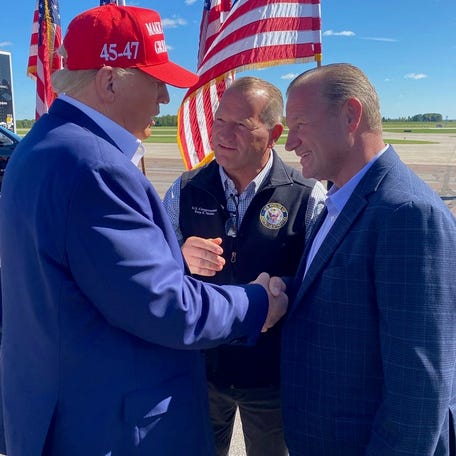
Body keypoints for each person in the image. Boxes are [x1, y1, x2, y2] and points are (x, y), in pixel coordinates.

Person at [0, 5, 288, 456]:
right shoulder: (95, 166)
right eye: (156, 82)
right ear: (110, 81)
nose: (164, 99)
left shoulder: (43, 145)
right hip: (110, 425)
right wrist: (256, 302)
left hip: (63, 403)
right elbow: (166, 306)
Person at [281, 62, 456, 455]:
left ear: (350, 115)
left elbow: (419, 390)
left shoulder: (408, 214)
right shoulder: (339, 200)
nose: (290, 144)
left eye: (300, 125)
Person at [163, 76, 326, 456]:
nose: (223, 133)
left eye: (241, 124)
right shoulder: (186, 189)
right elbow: (151, 268)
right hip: (202, 370)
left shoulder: (306, 195)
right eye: (220, 120)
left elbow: (322, 280)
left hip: (272, 378)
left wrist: (284, 289)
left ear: (273, 133)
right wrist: (179, 255)